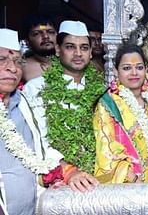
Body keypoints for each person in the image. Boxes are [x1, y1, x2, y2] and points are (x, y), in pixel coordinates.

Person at [0, 28, 97, 215]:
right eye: (2, 60)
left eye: (17, 61)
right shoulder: (35, 90)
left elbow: (42, 147)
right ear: (59, 50)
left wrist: (68, 172)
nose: (12, 68)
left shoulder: (23, 102)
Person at [24, 20, 106, 174]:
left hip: (98, 173)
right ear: (57, 50)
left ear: (90, 53)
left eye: (84, 48)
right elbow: (37, 139)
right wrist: (68, 170)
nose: (78, 53)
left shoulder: (102, 91)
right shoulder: (36, 88)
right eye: (70, 47)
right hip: (57, 176)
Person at [93, 44, 148, 183]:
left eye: (139, 67)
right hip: (129, 187)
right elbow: (107, 151)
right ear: (115, 71)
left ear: (146, 70)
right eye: (126, 68)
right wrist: (136, 180)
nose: (134, 73)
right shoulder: (108, 105)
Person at [21, 15, 58, 82]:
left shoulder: (69, 62)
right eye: (37, 33)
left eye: (50, 32)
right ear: (27, 42)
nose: (46, 36)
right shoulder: (21, 67)